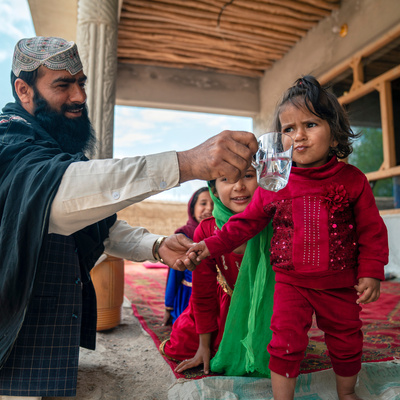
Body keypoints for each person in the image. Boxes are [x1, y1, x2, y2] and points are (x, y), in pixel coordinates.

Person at [0, 36, 258, 398]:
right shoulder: (9, 145)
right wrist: (185, 163)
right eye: (62, 84)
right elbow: (57, 201)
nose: (79, 97)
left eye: (81, 83)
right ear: (23, 90)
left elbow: (86, 223)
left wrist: (155, 245)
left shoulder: (48, 147)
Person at [187, 75, 389, 400]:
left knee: (347, 338)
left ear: (334, 131)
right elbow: (246, 224)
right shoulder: (274, 183)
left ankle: (347, 392)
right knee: (284, 342)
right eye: (289, 129)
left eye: (310, 124)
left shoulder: (352, 180)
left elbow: (371, 229)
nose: (299, 136)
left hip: (339, 284)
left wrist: (370, 272)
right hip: (291, 283)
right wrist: (208, 245)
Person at [160, 166, 274, 378]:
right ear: (213, 189)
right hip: (224, 305)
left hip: (267, 307)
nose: (239, 186)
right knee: (182, 344)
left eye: (248, 176)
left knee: (278, 351)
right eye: (227, 178)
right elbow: (203, 294)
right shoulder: (206, 230)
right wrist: (204, 346)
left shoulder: (275, 222)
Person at [162, 187, 214, 326]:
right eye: (203, 203)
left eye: (214, 203)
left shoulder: (222, 235)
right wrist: (169, 306)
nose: (209, 208)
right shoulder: (184, 236)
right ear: (192, 208)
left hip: (214, 297)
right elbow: (174, 275)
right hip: (188, 297)